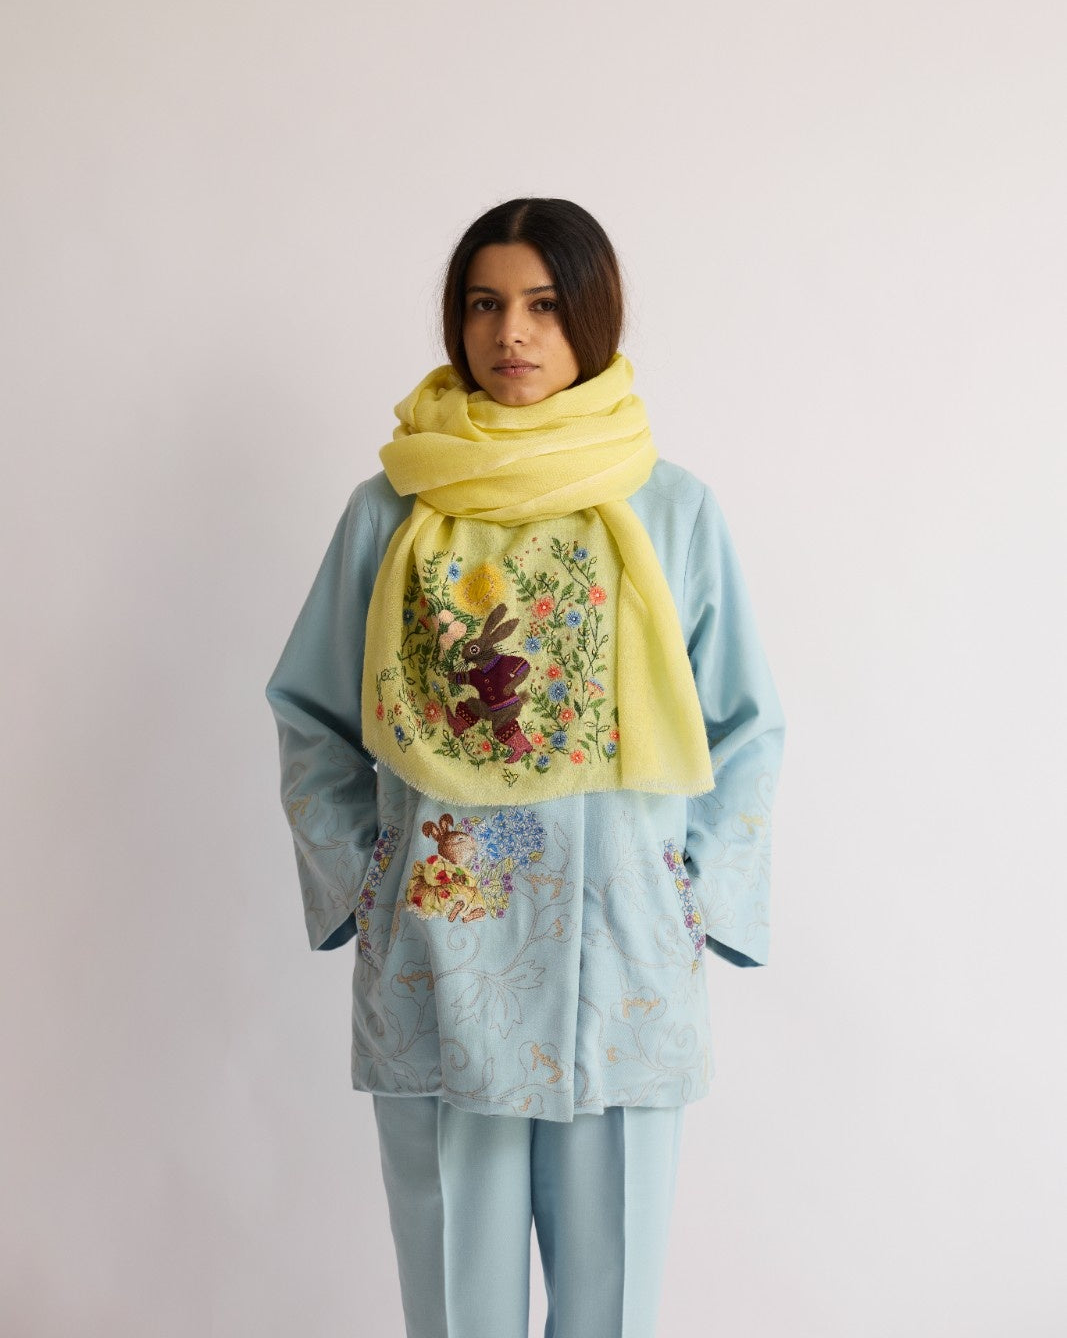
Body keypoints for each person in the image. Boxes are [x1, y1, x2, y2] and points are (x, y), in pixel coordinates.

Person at [265, 197, 786, 1338]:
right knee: (459, 1309)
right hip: (443, 955)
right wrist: (367, 877)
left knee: (612, 1310)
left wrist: (693, 894)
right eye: (485, 303)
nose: (512, 333)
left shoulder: (670, 510)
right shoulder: (389, 510)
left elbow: (746, 725)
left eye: (545, 306)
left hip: (624, 953)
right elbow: (309, 711)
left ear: (592, 320)